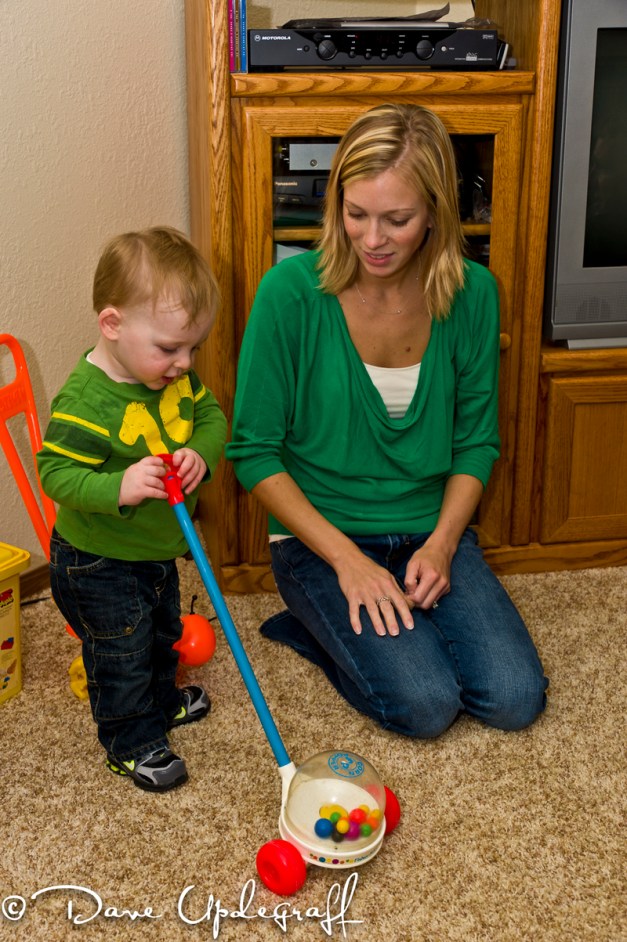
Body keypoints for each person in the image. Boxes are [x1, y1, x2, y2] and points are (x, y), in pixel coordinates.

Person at [226, 104, 548, 739]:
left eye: (397, 220)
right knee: (426, 707)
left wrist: (444, 544)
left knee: (514, 700)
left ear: (434, 213)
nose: (372, 239)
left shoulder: (474, 294)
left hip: (428, 532)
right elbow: (253, 452)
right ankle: (313, 623)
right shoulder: (288, 294)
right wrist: (348, 561)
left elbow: (476, 441)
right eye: (356, 214)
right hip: (321, 541)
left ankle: (378, 617)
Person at [37, 226, 227, 790]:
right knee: (121, 652)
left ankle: (162, 702)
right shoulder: (85, 401)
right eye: (169, 348)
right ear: (113, 325)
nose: (183, 362)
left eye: (193, 347)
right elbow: (56, 474)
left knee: (163, 632)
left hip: (155, 550)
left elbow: (212, 416)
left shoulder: (175, 379)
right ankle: (130, 741)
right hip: (97, 560)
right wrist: (118, 486)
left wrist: (201, 453)